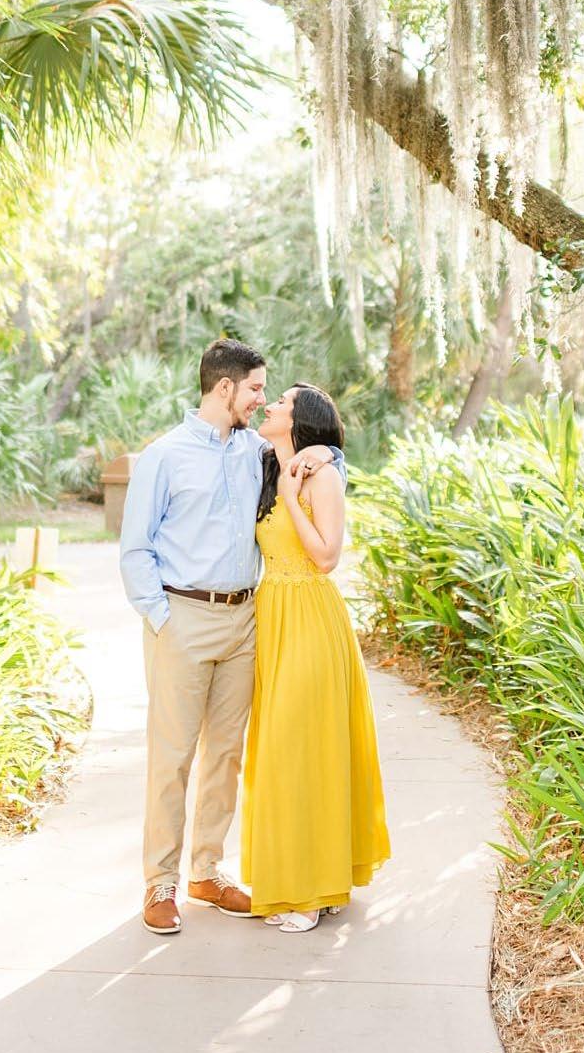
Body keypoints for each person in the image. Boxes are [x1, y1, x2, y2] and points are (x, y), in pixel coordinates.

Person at [120, 339, 344, 935]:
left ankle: (206, 873)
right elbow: (135, 548)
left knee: (225, 755)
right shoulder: (164, 456)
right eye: (255, 389)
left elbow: (321, 462)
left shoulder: (256, 452)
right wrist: (161, 618)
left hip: (246, 620)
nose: (261, 400)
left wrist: (324, 451)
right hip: (182, 618)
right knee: (173, 756)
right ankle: (160, 882)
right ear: (225, 388)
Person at [241, 383, 390, 931]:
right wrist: (287, 476)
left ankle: (308, 893)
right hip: (273, 616)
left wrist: (293, 491)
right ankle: (312, 879)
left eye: (281, 402)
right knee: (282, 754)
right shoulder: (266, 464)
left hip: (310, 616)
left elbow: (327, 556)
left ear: (300, 417)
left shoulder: (320, 476)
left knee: (303, 750)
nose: (270, 405)